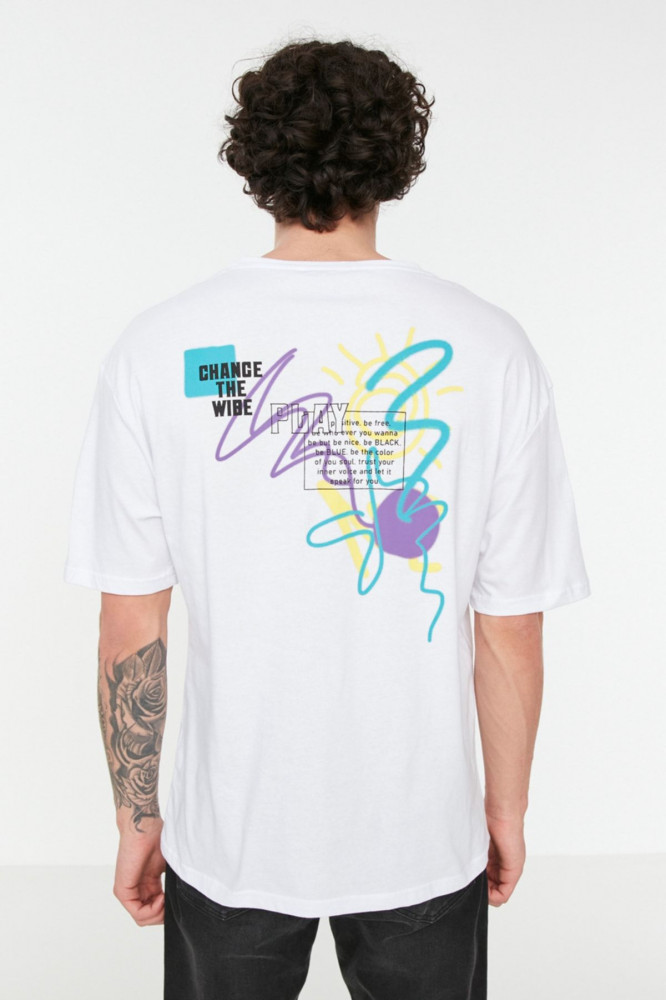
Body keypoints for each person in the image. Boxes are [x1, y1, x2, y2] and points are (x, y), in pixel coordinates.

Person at [63, 37, 591, 1000]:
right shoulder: (491, 348)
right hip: (421, 837)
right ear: (397, 159)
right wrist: (506, 810)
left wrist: (137, 819)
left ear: (254, 160)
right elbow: (509, 625)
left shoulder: (160, 349)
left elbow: (130, 621)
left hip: (232, 836)